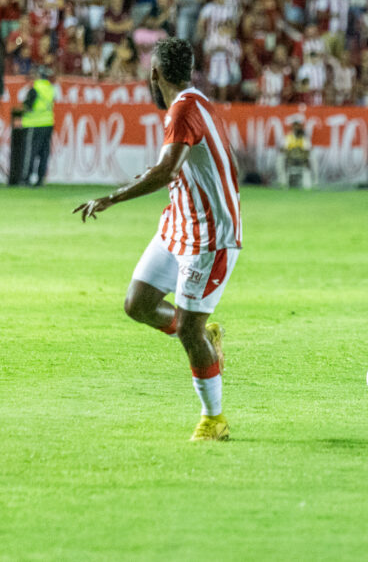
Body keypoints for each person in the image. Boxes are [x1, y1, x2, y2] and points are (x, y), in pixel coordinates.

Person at [72, 38, 242, 442]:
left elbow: (167, 170)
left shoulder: (184, 107)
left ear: (154, 73)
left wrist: (111, 198)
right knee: (138, 304)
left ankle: (214, 419)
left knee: (187, 331)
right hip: (177, 226)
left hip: (208, 238)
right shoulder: (195, 104)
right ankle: (204, 334)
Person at [20, 67, 56, 186]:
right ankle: (41, 179)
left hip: (34, 124)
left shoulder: (35, 89)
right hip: (48, 123)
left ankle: (27, 178)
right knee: (44, 153)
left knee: (31, 152)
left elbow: (28, 106)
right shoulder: (50, 89)